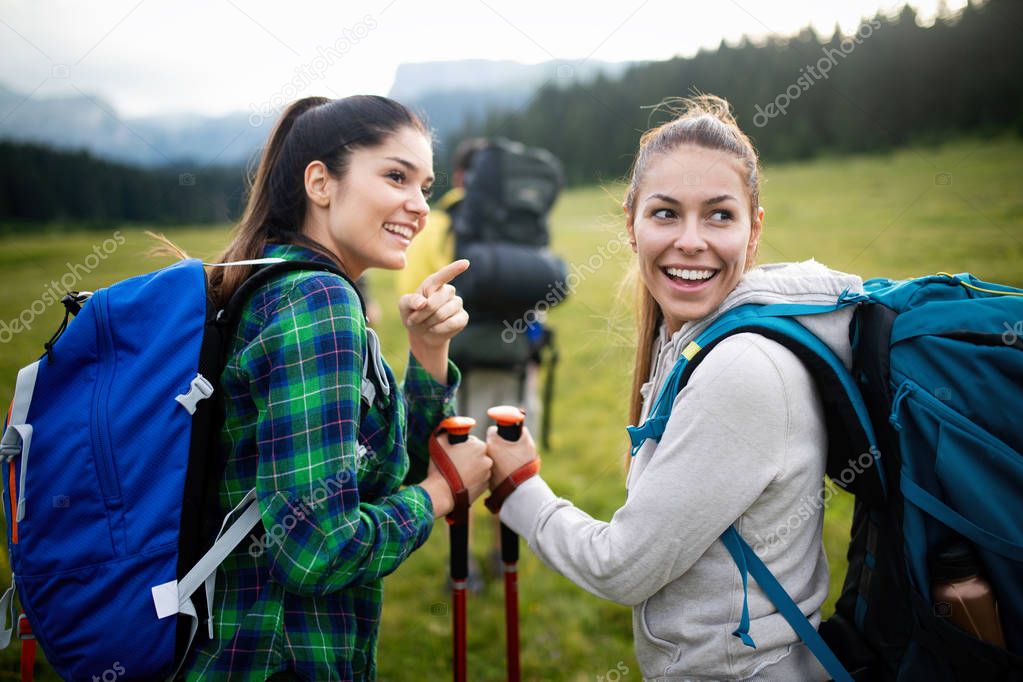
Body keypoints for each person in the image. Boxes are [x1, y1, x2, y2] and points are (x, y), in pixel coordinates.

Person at [485, 95, 861, 680]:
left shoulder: (743, 368)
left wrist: (520, 491)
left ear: (753, 229)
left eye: (718, 215)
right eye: (665, 213)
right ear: (630, 224)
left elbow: (623, 568)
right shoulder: (694, 341)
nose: (690, 240)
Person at [184, 95, 492, 681]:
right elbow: (317, 549)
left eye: (425, 185)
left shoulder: (277, 281)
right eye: (396, 176)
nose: (419, 206)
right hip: (278, 658)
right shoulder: (318, 303)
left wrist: (427, 351)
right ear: (321, 184)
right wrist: (443, 492)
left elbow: (372, 474)